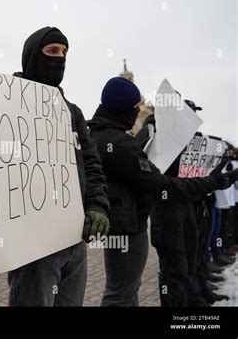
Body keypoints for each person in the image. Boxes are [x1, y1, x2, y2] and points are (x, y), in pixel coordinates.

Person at [87, 77, 238, 306]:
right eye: (134, 106)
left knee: (126, 291)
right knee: (123, 292)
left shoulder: (98, 135)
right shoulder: (124, 143)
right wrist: (212, 182)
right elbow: (161, 184)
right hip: (136, 224)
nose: (137, 110)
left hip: (130, 222)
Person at [7, 27, 110, 306]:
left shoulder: (72, 112)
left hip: (74, 240)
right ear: (32, 56)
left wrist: (98, 205)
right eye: (52, 51)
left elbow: (91, 165)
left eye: (64, 53)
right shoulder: (6, 103)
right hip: (32, 245)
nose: (60, 58)